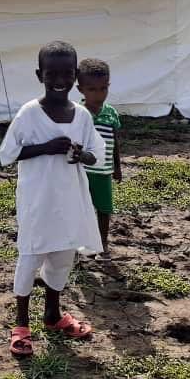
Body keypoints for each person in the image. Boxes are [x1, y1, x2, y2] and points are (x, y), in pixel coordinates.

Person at [0, 41, 106, 357]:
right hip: (38, 200)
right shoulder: (30, 114)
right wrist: (47, 147)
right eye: (52, 74)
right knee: (31, 254)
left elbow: (96, 153)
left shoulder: (83, 115)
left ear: (76, 75)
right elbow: (8, 153)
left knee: (63, 254)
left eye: (67, 74)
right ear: (40, 75)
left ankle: (53, 314)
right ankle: (21, 324)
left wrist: (80, 154)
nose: (60, 80)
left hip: (70, 198)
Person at [77, 58, 122, 254]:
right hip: (82, 171)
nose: (99, 94)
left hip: (103, 172)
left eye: (103, 88)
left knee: (104, 209)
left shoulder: (110, 113)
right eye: (92, 89)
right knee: (80, 209)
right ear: (81, 89)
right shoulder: (77, 113)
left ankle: (102, 243)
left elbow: (114, 141)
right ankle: (79, 242)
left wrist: (117, 167)